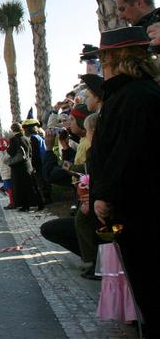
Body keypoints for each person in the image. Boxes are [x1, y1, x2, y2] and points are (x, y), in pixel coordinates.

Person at [89, 26, 160, 335]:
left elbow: (127, 153)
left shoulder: (136, 96)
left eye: (102, 58)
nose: (99, 65)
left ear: (116, 58)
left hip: (141, 209)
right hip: (136, 207)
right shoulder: (129, 93)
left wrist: (106, 195)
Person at [7, 122, 39, 212]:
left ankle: (24, 205)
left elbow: (11, 152)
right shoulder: (26, 138)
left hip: (18, 166)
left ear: (12, 130)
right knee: (28, 185)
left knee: (20, 187)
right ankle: (31, 204)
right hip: (28, 164)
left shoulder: (13, 139)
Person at [0, 138, 14, 209]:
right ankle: (12, 202)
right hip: (5, 172)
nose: (0, 145)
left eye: (1, 144)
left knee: (9, 189)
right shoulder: (3, 151)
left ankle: (12, 203)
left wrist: (0, 151)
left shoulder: (8, 150)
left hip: (7, 172)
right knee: (7, 188)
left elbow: (4, 159)